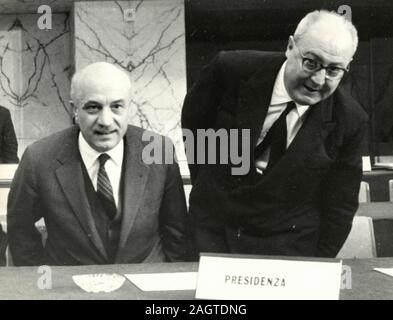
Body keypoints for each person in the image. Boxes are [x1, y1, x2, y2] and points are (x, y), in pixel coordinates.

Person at [182, 10, 368, 258]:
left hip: (290, 247)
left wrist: (315, 264)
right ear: (291, 46)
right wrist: (209, 184)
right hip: (213, 232)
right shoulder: (229, 70)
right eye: (311, 62)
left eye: (334, 70)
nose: (318, 79)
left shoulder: (351, 119)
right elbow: (195, 128)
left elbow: (340, 206)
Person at [7, 62, 189, 266]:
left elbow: (177, 232)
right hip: (70, 291)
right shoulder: (39, 158)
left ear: (129, 108)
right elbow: (19, 228)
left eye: (116, 107)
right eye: (93, 107)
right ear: (75, 110)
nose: (106, 121)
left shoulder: (158, 150)